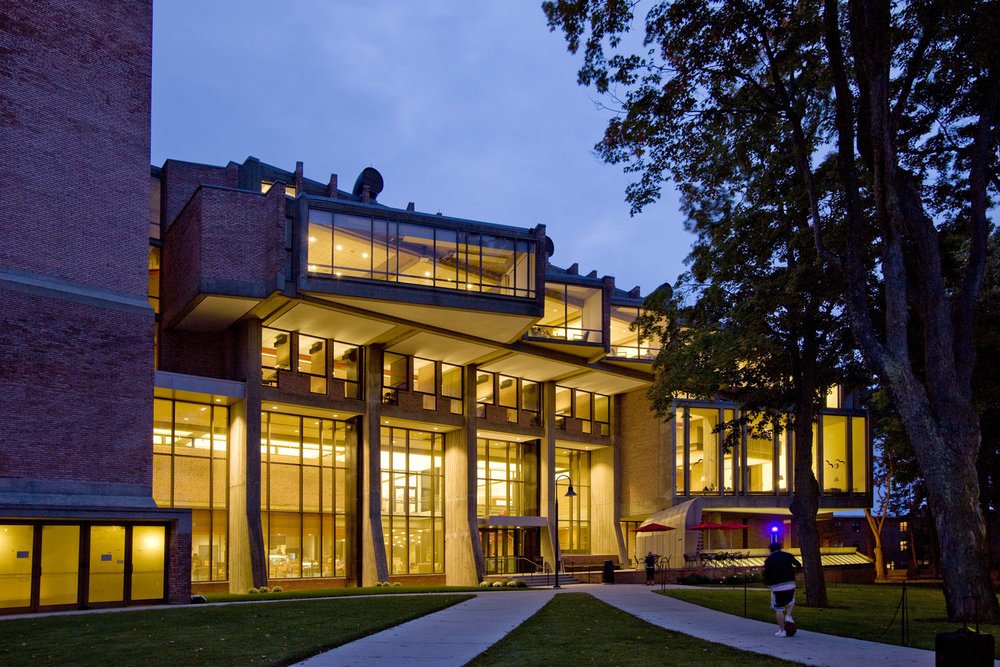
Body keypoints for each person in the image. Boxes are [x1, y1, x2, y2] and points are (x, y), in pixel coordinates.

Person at [762, 541, 801, 637]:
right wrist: (793, 574)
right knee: (791, 600)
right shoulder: (787, 555)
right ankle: (788, 615)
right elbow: (798, 565)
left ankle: (782, 630)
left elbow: (766, 574)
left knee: (778, 608)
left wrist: (768, 583)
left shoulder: (769, 560)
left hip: (777, 587)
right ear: (780, 548)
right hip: (790, 583)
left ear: (770, 550)